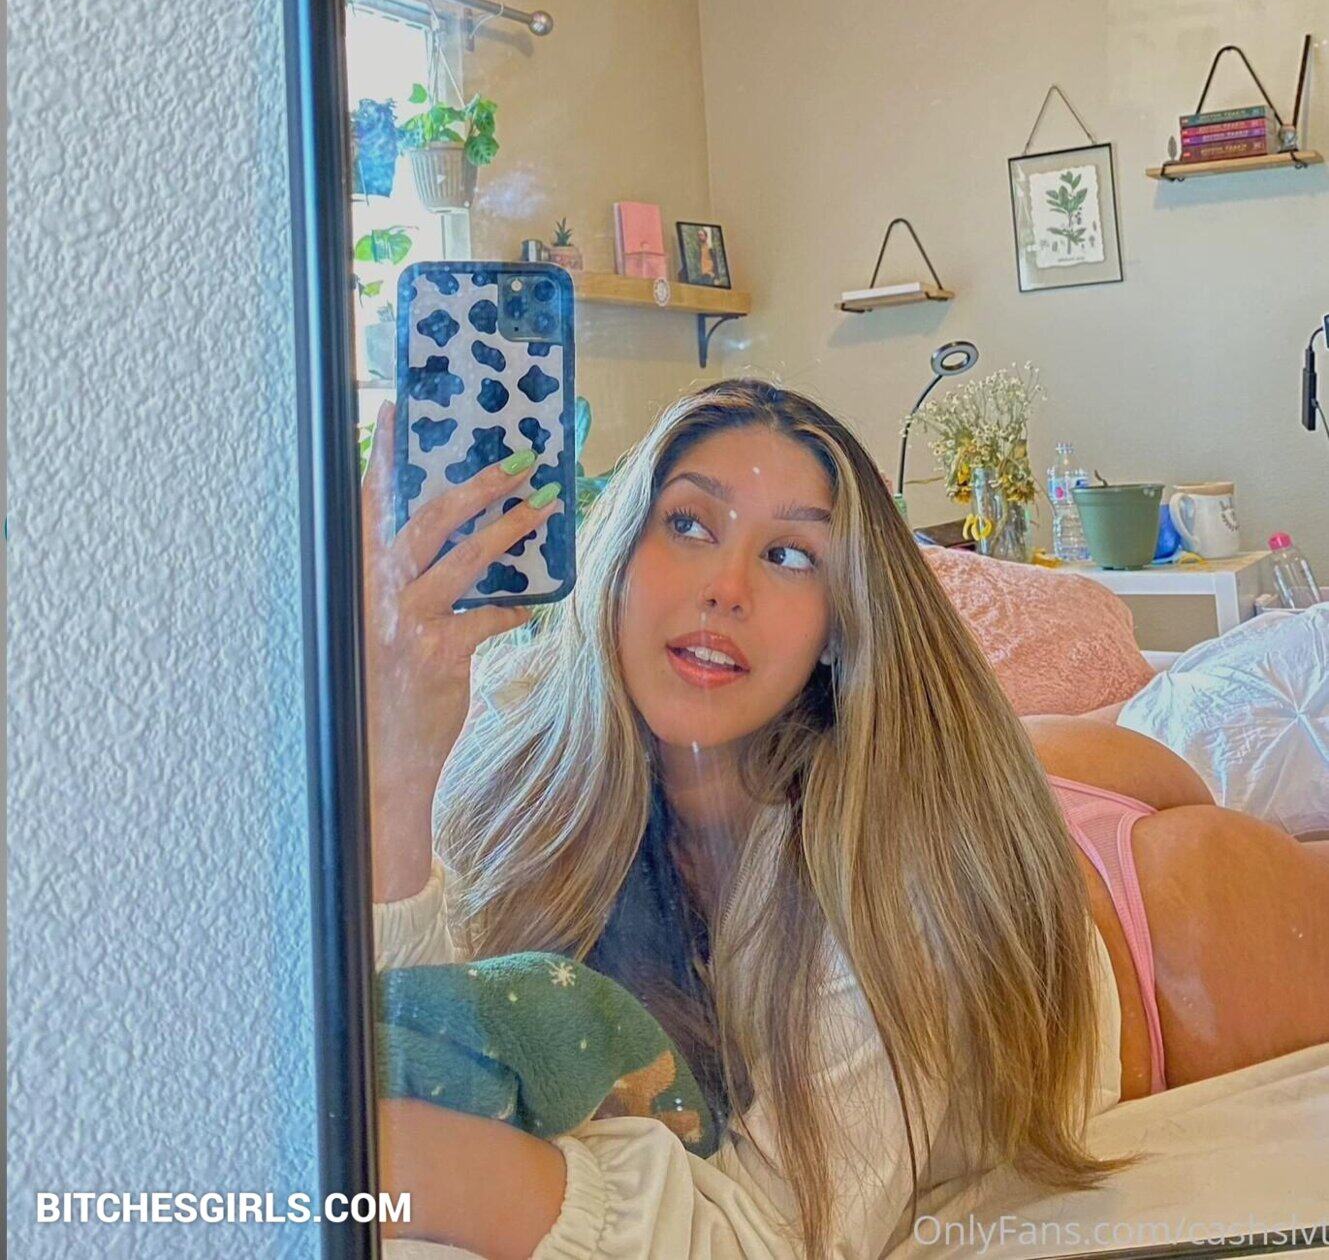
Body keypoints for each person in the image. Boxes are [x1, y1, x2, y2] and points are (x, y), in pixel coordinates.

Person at [364, 379, 1329, 1260]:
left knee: (1247, 755)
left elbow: (767, 1240)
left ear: (838, 627)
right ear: (616, 559)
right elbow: (421, 1021)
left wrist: (415, 1162)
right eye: (689, 523)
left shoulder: (893, 889)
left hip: (1135, 925)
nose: (725, 587)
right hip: (1004, 791)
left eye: (788, 554)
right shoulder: (512, 761)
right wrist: (398, 762)